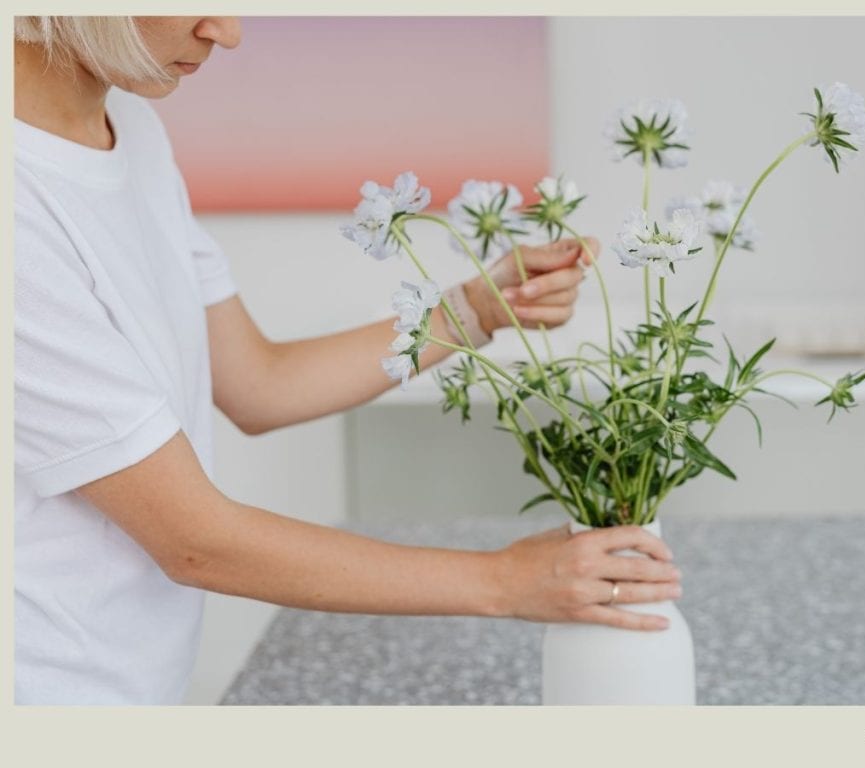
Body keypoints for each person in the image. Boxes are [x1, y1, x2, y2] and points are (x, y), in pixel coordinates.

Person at [13, 16, 683, 705]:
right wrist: (507, 582)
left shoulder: (134, 130)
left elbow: (259, 383)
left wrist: (477, 310)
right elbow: (193, 539)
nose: (227, 30)